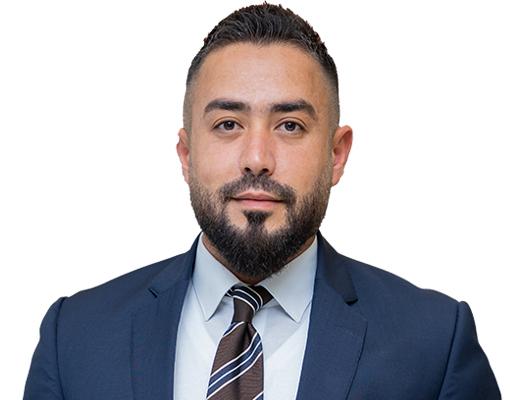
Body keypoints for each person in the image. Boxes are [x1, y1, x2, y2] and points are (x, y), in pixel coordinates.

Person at [24, 3, 500, 400]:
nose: (256, 159)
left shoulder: (434, 344)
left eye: (290, 125)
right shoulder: (75, 339)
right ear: (187, 155)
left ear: (336, 155)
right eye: (228, 124)